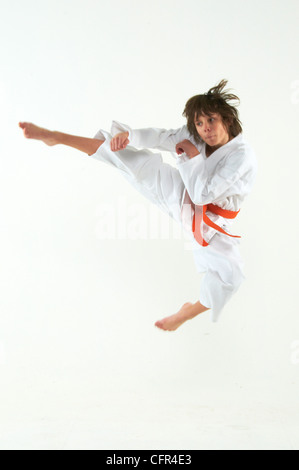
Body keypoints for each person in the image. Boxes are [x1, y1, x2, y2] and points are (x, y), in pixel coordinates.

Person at [18, 79, 257, 331]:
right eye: (199, 122)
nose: (205, 129)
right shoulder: (194, 135)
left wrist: (191, 155)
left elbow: (202, 194)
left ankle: (187, 312)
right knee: (133, 164)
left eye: (211, 120)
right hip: (183, 196)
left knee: (230, 277)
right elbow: (162, 137)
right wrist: (129, 136)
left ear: (227, 120)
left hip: (213, 222)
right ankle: (57, 137)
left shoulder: (241, 157)